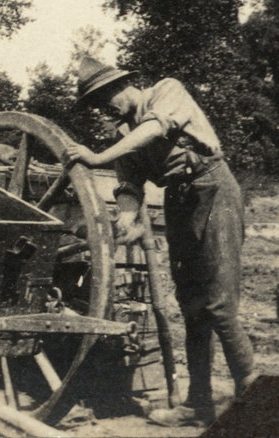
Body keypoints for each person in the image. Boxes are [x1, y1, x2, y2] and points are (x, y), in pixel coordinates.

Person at [64, 56, 257, 428]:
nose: (105, 107)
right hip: (179, 201)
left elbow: (155, 128)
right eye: (96, 104)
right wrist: (125, 215)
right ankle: (198, 404)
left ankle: (253, 394)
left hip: (212, 188)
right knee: (191, 306)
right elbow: (128, 186)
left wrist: (97, 157)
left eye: (106, 97)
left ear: (125, 85)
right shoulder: (124, 137)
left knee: (219, 303)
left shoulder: (166, 90)